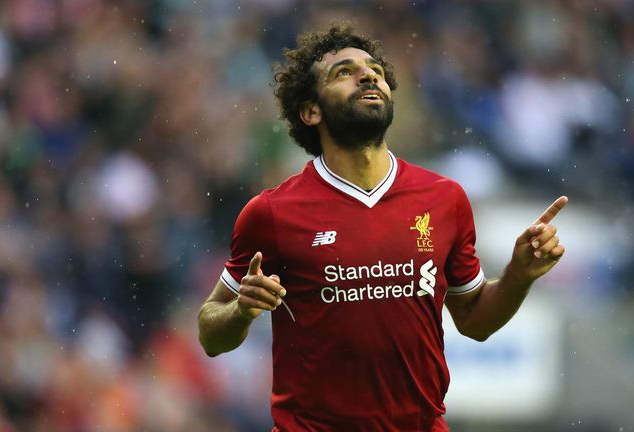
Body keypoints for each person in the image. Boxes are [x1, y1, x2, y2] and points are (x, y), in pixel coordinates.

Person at [198, 22, 567, 431]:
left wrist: (519, 275)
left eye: (374, 70)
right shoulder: (271, 213)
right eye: (344, 72)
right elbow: (211, 334)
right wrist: (241, 310)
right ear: (310, 110)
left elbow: (474, 320)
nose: (369, 75)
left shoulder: (444, 199)